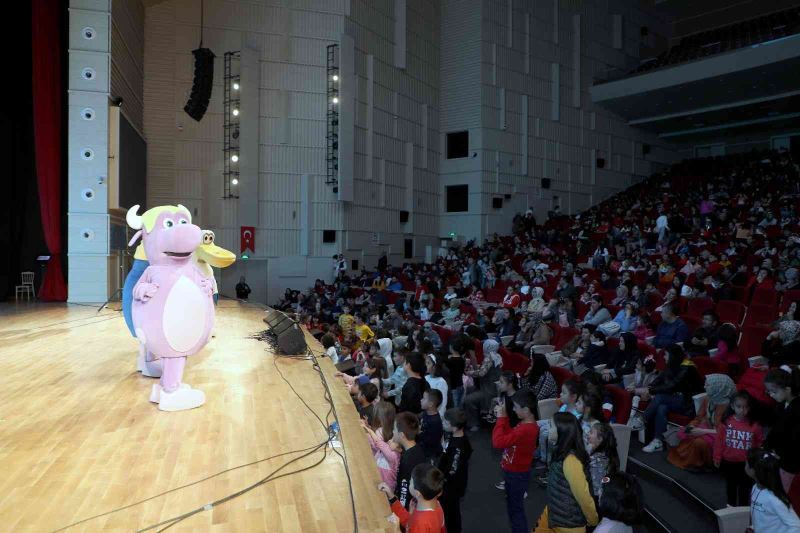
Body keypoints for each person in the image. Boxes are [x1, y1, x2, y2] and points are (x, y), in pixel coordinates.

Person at [534, 412, 599, 532]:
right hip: (555, 512)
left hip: (568, 524)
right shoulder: (560, 450)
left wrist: (593, 520)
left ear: (561, 431)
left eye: (551, 426)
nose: (548, 429)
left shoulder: (571, 460)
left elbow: (583, 496)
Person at [492, 389, 540, 533]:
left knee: (515, 510)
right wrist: (505, 418)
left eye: (516, 407)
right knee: (514, 507)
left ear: (526, 409)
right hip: (515, 473)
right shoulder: (525, 424)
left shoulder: (525, 429)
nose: (513, 409)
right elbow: (509, 436)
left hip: (516, 475)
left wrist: (500, 419)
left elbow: (498, 442)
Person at [667, 373, 736, 470]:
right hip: (706, 428)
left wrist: (702, 431)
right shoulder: (708, 399)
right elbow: (699, 417)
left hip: (721, 435)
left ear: (719, 387)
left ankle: (702, 464)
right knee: (684, 432)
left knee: (699, 442)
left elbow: (728, 430)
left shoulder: (731, 407)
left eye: (708, 385)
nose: (704, 387)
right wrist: (692, 426)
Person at [642, 344, 703, 453]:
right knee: (662, 407)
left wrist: (650, 391)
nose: (664, 357)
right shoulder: (673, 364)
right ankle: (658, 441)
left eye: (665, 355)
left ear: (672, 356)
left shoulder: (687, 367)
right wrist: (649, 388)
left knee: (660, 397)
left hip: (689, 402)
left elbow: (672, 385)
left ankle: (643, 419)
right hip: (676, 398)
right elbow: (660, 378)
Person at [714, 391, 763, 507]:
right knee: (731, 485)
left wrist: (756, 460)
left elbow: (758, 443)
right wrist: (717, 457)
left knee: (745, 487)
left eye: (745, 407)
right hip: (729, 461)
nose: (742, 410)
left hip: (745, 463)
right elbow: (719, 441)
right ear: (732, 406)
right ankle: (730, 505)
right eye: (739, 407)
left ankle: (742, 508)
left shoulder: (755, 425)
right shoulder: (726, 422)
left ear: (749, 408)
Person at [379, 463, 447, 533]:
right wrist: (393, 499)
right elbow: (409, 522)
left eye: (411, 481)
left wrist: (396, 530)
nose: (409, 481)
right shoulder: (437, 506)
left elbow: (414, 524)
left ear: (417, 493)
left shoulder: (420, 522)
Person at [763, 367, 800, 493]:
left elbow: (794, 440)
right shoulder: (781, 404)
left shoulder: (796, 410)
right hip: (781, 456)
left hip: (790, 462)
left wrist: (778, 454)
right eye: (768, 391)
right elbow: (776, 429)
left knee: (784, 493)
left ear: (788, 389)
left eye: (773, 391)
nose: (771, 395)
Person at [746, 448, 800, 532]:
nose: (745, 466)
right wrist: (753, 527)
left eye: (746, 464)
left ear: (754, 471)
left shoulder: (775, 499)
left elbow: (796, 526)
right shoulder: (755, 487)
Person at [438, 408, 472, 533]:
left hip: (451, 488)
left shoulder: (458, 447)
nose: (443, 424)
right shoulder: (456, 437)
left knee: (450, 513)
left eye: (446, 423)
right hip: (450, 484)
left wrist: (440, 481)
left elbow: (452, 471)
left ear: (455, 427)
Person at [464, 339, 504, 431]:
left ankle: (474, 424)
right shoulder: (497, 356)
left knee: (468, 400)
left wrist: (469, 373)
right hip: (493, 388)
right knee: (470, 390)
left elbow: (481, 373)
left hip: (488, 390)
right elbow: (485, 369)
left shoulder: (489, 357)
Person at [362, 401, 400, 489]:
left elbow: (376, 445)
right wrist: (369, 429)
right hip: (383, 476)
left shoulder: (380, 431)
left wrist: (368, 431)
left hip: (385, 481)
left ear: (378, 417)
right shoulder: (390, 429)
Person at [394, 412, 428, 510]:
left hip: (407, 507)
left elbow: (404, 489)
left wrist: (400, 510)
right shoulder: (418, 449)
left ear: (401, 435)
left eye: (394, 429)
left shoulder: (407, 460)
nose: (393, 432)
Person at [587, 423, 619, 499]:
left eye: (591, 432)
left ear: (600, 439)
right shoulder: (608, 454)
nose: (588, 435)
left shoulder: (598, 462)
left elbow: (595, 492)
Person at [419, 389, 444, 460]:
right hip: (424, 447)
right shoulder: (426, 412)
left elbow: (432, 441)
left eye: (423, 398)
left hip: (430, 454)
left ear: (430, 404)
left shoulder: (435, 422)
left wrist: (419, 433)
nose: (421, 400)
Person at [446, 335, 469, 408]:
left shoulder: (450, 361)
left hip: (453, 387)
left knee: (455, 406)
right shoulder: (462, 360)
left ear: (451, 347)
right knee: (459, 405)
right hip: (460, 385)